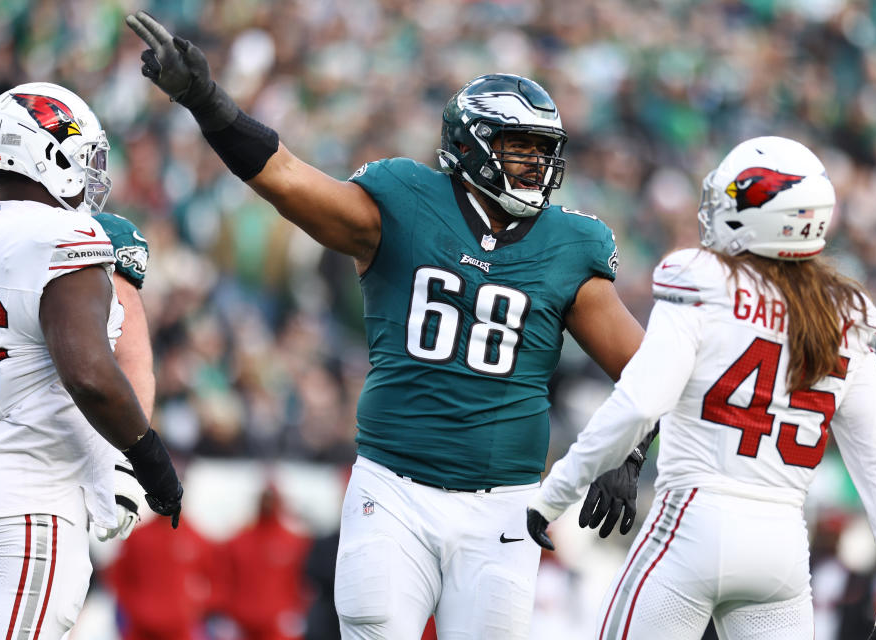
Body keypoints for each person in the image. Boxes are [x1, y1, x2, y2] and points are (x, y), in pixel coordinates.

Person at [126, 12, 652, 639]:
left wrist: (631, 448)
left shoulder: (569, 245)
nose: (538, 166)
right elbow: (288, 179)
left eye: (544, 152)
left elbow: (647, 370)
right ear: (473, 145)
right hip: (393, 489)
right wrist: (206, 100)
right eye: (522, 149)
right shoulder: (404, 201)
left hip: (504, 505)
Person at [525, 136, 876, 639]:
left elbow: (639, 403)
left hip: (691, 523)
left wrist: (553, 497)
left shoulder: (702, 279)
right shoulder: (847, 315)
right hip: (782, 549)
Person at [0, 81, 182, 639]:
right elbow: (91, 375)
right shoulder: (64, 234)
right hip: (29, 499)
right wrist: (149, 460)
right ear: (49, 154)